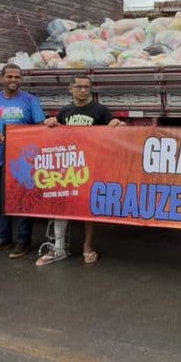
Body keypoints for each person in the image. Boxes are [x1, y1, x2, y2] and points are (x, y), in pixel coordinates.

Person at [0, 64, 56, 259]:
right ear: (2, 78)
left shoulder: (30, 100)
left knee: (22, 200)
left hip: (23, 161)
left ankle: (23, 240)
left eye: (17, 77)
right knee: (0, 201)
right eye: (10, 77)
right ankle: (4, 238)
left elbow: (40, 125)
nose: (13, 80)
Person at [50, 74, 125, 264]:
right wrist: (49, 123)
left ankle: (87, 246)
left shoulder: (100, 110)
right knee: (61, 205)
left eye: (86, 87)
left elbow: (112, 125)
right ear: (70, 89)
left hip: (91, 166)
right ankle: (59, 247)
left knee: (87, 208)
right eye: (79, 86)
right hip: (68, 167)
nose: (83, 90)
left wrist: (116, 124)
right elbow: (54, 131)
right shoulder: (65, 111)